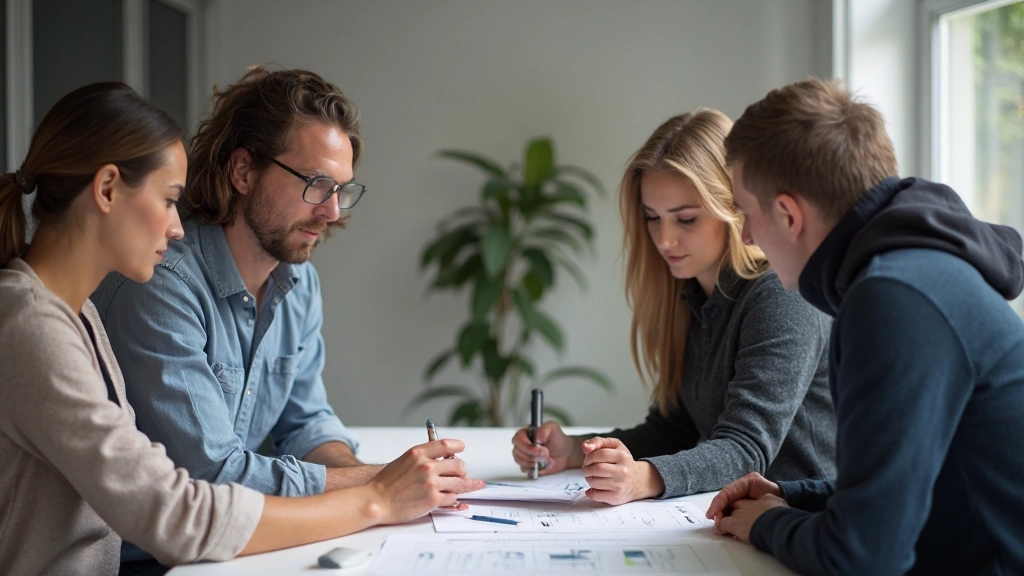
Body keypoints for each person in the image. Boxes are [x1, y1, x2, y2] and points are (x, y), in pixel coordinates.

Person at [0, 82, 482, 576]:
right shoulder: (34, 326)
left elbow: (291, 428)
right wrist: (376, 495)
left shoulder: (78, 317)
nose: (177, 225)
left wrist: (380, 486)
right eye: (168, 200)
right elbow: (180, 509)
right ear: (105, 190)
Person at [706, 78, 1024, 575]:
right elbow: (919, 482)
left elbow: (862, 557)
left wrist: (767, 524)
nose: (745, 235)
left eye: (746, 213)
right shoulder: (911, 274)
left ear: (789, 214)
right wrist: (791, 497)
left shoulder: (895, 299)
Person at [89, 68, 382, 564]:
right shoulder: (161, 282)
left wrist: (357, 470)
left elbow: (305, 421)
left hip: (231, 550)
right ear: (243, 171)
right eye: (316, 184)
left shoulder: (297, 280)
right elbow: (211, 473)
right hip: (150, 563)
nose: (332, 212)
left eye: (342, 190)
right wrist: (376, 484)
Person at [511, 109, 836, 505]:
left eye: (685, 219)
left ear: (733, 209)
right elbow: (675, 428)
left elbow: (745, 447)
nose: (664, 240)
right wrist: (576, 451)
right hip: (742, 516)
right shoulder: (694, 297)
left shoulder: (781, 297)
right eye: (652, 218)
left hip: (805, 518)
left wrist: (643, 479)